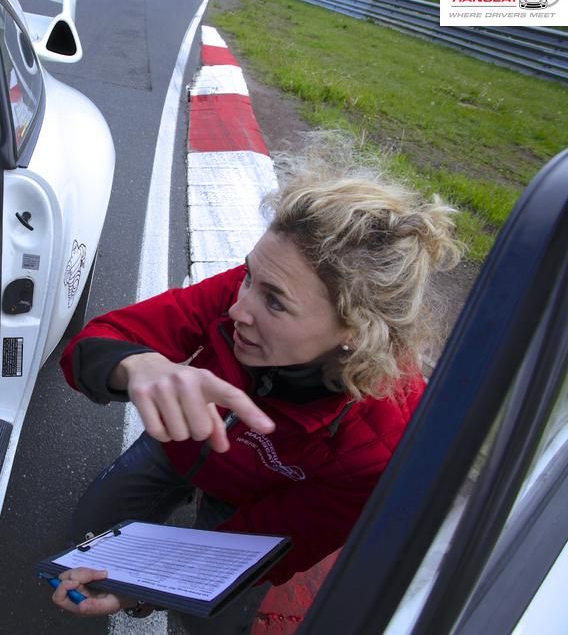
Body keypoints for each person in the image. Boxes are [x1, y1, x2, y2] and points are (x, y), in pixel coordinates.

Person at [50, 163, 463, 630]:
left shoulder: (379, 447)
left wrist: (148, 584)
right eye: (248, 275)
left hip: (251, 506)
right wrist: (138, 365)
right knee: (83, 540)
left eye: (274, 301)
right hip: (179, 445)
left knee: (207, 617)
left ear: (355, 330)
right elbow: (99, 341)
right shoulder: (243, 293)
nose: (236, 308)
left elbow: (277, 542)